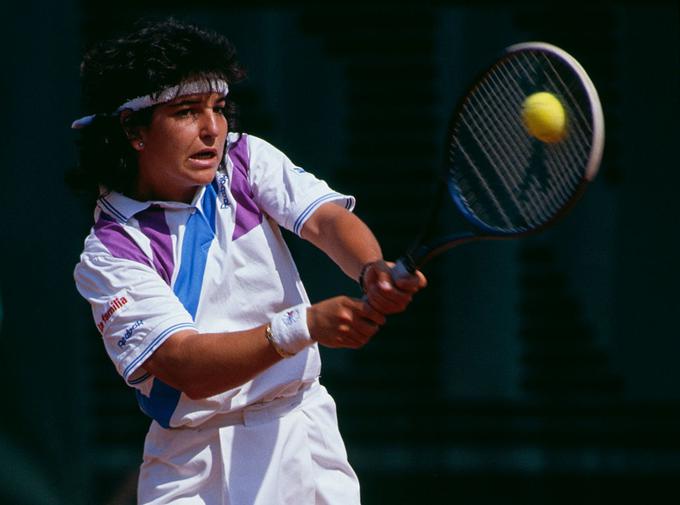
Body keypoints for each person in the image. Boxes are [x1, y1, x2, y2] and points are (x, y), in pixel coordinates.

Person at [70, 18, 426, 505]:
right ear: (134, 128)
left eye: (218, 107)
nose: (212, 128)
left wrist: (370, 267)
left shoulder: (245, 161)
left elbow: (325, 221)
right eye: (187, 111)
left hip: (301, 439)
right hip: (191, 470)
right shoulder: (110, 252)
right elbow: (185, 365)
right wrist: (301, 326)